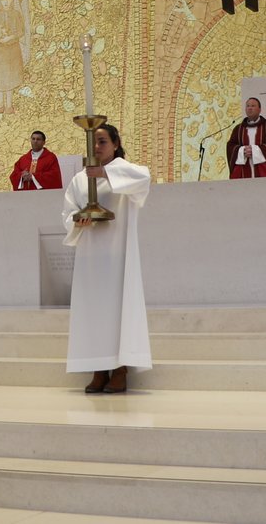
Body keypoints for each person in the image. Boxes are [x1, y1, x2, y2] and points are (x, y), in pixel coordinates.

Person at [63, 122, 152, 394]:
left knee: (117, 308)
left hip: (118, 255)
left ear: (115, 144)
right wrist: (78, 220)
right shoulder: (80, 179)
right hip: (91, 256)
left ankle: (121, 369)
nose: (97, 147)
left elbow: (144, 179)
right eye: (94, 142)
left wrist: (104, 173)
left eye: (102, 141)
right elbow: (68, 213)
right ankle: (98, 368)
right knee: (94, 311)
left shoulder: (123, 171)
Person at [225, 97, 266, 178]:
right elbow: (230, 146)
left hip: (263, 170)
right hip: (243, 169)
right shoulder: (238, 129)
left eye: (253, 106)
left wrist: (255, 150)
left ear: (259, 109)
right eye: (248, 106)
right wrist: (242, 151)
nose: (250, 108)